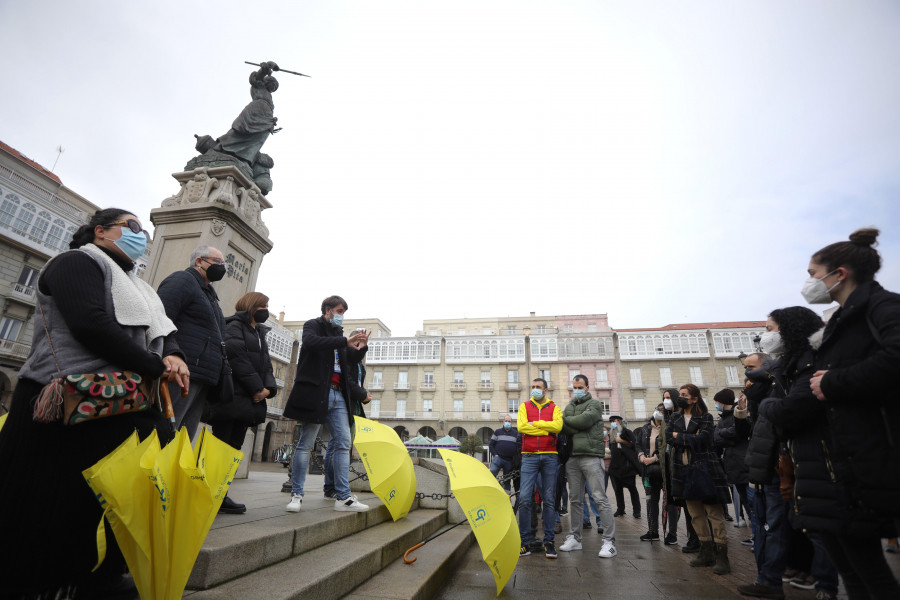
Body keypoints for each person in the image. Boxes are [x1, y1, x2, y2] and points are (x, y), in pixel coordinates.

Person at [0, 208, 190, 598]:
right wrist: (154, 366)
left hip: (122, 401)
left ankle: (94, 576)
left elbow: (164, 329)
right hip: (64, 400)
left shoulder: (142, 286)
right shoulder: (74, 262)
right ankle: (41, 580)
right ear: (101, 231)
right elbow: (89, 322)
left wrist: (173, 354)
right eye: (132, 226)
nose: (142, 235)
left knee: (103, 501)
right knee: (49, 499)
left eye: (144, 231)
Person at [804, 229, 900, 599]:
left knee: (872, 574)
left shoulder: (882, 307)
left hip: (879, 453)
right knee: (853, 567)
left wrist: (834, 382)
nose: (810, 282)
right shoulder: (844, 319)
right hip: (849, 460)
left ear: (839, 273)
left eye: (813, 273)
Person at [284, 296, 369, 513]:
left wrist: (359, 348)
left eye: (344, 313)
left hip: (338, 394)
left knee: (343, 442)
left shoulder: (339, 334)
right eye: (339, 311)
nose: (342, 316)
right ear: (328, 310)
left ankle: (343, 497)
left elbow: (347, 359)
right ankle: (296, 494)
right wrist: (344, 341)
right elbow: (312, 343)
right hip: (317, 393)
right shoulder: (313, 325)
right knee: (306, 443)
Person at [206, 292, 277, 514]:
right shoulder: (234, 325)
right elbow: (236, 356)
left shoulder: (258, 332)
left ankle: (220, 494)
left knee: (234, 449)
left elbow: (265, 364)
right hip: (231, 396)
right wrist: (257, 387)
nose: (266, 309)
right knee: (221, 447)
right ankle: (208, 494)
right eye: (263, 305)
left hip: (247, 400)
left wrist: (268, 389)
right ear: (251, 306)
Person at [157, 244, 229, 440]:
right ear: (199, 261)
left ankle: (172, 471)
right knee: (166, 434)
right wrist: (170, 353)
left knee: (183, 439)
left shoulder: (209, 294)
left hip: (201, 376)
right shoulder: (182, 280)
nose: (222, 267)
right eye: (217, 262)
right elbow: (160, 318)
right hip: (181, 373)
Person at [667, 384, 733, 575]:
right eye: (679, 395)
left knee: (714, 513)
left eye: (684, 395)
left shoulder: (706, 417)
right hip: (683, 470)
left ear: (694, 399)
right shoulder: (675, 417)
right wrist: (687, 437)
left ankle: (722, 557)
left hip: (706, 469)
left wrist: (678, 436)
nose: (680, 398)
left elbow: (703, 439)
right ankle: (706, 553)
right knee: (695, 513)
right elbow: (668, 438)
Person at [558, 374, 617, 559]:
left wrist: (574, 422)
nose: (577, 390)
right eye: (574, 387)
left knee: (600, 498)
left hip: (591, 456)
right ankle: (575, 538)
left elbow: (584, 421)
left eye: (580, 387)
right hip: (573, 458)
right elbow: (563, 425)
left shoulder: (596, 405)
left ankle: (609, 541)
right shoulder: (569, 407)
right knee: (575, 499)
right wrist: (575, 423)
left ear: (587, 387)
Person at [517, 378, 562, 559]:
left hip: (550, 455)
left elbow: (558, 426)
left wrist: (534, 425)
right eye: (533, 387)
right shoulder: (524, 406)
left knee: (549, 500)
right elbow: (521, 427)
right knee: (525, 499)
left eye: (538, 387)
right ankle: (525, 542)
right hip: (528, 456)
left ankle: (549, 542)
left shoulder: (554, 407)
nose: (535, 389)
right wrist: (546, 428)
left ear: (545, 390)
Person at [324, 344, 371, 499]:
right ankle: (331, 487)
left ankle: (339, 486)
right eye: (358, 345)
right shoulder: (346, 360)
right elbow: (348, 383)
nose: (360, 350)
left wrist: (364, 397)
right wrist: (363, 394)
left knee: (344, 446)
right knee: (336, 446)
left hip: (354, 407)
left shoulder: (360, 366)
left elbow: (357, 384)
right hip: (342, 404)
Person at [712, 389, 752, 531]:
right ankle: (755, 536)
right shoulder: (722, 419)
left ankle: (759, 535)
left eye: (717, 401)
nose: (716, 404)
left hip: (744, 465)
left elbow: (739, 433)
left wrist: (723, 433)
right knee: (746, 502)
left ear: (722, 402)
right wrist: (728, 436)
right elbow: (716, 439)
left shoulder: (739, 414)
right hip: (733, 467)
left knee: (752, 503)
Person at [661, 389, 692, 548]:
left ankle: (693, 536)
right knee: (671, 500)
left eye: (668, 398)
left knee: (686, 500)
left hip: (680, 462)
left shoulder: (683, 415)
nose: (666, 401)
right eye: (664, 398)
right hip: (667, 463)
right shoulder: (665, 418)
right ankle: (671, 533)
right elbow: (662, 441)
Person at [636, 403, 666, 542]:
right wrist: (641, 456)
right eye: (658, 409)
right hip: (648, 471)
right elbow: (637, 444)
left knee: (669, 502)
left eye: (662, 411)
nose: (659, 412)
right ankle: (653, 531)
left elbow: (668, 448)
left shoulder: (668, 428)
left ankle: (671, 533)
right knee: (651, 501)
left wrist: (654, 459)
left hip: (665, 471)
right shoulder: (646, 428)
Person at [608, 415, 641, 518]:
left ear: (620, 421)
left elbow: (634, 444)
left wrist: (622, 441)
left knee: (632, 489)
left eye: (615, 420)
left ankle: (637, 511)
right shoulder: (611, 434)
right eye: (612, 421)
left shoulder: (627, 432)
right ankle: (620, 509)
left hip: (627, 466)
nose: (614, 422)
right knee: (618, 490)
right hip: (615, 466)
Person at [489, 414, 520, 493]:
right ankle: (491, 491)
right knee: (491, 475)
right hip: (498, 459)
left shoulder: (516, 434)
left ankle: (507, 496)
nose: (507, 422)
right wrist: (495, 455)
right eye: (506, 421)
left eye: (509, 421)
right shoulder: (497, 432)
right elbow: (491, 445)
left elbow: (518, 447)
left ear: (511, 422)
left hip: (509, 461)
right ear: (503, 422)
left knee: (507, 480)